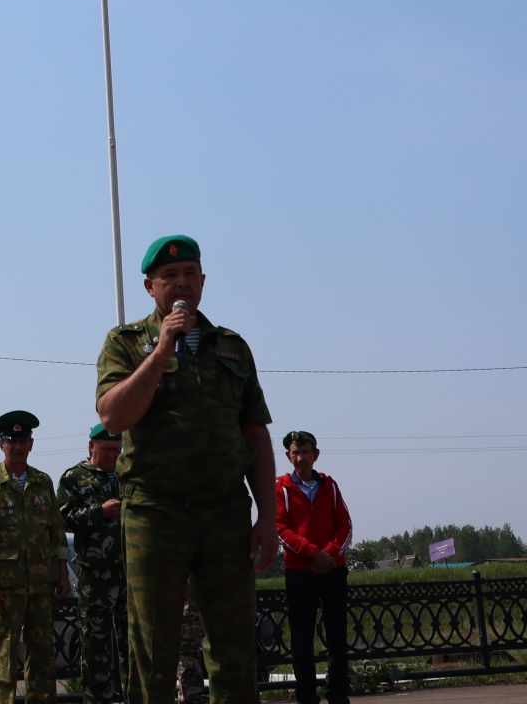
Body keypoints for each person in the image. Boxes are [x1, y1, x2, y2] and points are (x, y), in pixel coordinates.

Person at [95, 234, 278, 704]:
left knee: (235, 650)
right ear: (149, 287)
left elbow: (255, 434)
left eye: (189, 273)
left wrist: (268, 518)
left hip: (224, 511)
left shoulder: (232, 347)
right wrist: (161, 352)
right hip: (156, 513)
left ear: (202, 281)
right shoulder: (126, 343)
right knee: (152, 651)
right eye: (169, 276)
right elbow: (113, 416)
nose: (181, 283)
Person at [0, 410, 71, 704]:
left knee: (42, 654)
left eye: (22, 440)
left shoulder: (43, 482)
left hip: (41, 583)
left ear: (31, 444)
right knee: (6, 653)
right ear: (1, 445)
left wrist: (63, 575)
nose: (16, 446)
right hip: (5, 587)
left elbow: (56, 532)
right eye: (10, 441)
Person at [273, 430, 352, 704]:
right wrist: (313, 553)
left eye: (305, 452)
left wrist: (329, 554)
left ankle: (338, 694)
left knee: (337, 636)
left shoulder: (329, 486)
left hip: (332, 569)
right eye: (295, 453)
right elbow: (280, 528)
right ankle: (307, 696)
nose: (301, 458)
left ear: (315, 455)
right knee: (302, 638)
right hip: (299, 572)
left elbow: (345, 525)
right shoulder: (281, 488)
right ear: (288, 457)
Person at [57, 423, 126, 703]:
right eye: (105, 450)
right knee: (95, 644)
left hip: (129, 572)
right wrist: (100, 512)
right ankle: (98, 699)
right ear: (91, 447)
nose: (111, 456)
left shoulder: (128, 474)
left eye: (116, 450)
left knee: (133, 643)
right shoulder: (75, 477)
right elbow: (62, 518)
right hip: (94, 574)